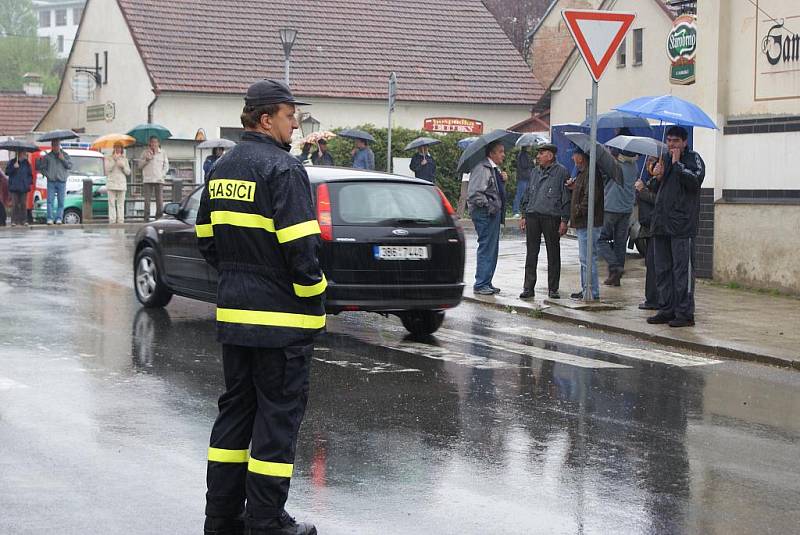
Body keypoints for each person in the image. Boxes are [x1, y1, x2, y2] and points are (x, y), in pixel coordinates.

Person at [196, 79, 324, 535]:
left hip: (235, 318)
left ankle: (222, 517)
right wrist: (316, 301)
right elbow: (301, 251)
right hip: (282, 324)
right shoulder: (284, 170)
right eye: (291, 116)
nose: (296, 124)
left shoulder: (222, 168)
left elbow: (207, 240)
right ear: (266, 118)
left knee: (235, 414)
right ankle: (267, 522)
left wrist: (238, 276)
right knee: (277, 419)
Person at [647, 126, 705, 328]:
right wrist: (657, 176)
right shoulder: (663, 160)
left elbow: (695, 181)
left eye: (676, 141)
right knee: (662, 270)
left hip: (682, 226)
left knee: (682, 272)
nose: (672, 144)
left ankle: (684, 312)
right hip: (661, 225)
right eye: (669, 140)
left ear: (685, 142)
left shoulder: (693, 159)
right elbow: (653, 190)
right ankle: (666, 308)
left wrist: (678, 164)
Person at [566, 143, 622, 300]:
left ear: (582, 157)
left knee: (588, 259)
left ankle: (591, 291)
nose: (572, 158)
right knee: (585, 259)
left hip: (588, 223)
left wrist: (577, 211)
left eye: (575, 155)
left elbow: (590, 197)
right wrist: (574, 186)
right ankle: (586, 288)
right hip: (584, 222)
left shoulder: (592, 174)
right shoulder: (584, 173)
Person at [518, 143, 570, 300]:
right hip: (533, 215)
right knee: (531, 253)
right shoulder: (535, 171)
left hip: (551, 217)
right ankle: (528, 288)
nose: (538, 157)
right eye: (538, 154)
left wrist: (564, 220)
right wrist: (523, 215)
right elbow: (528, 193)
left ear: (550, 155)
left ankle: (553, 289)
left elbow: (566, 198)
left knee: (553, 254)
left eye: (541, 153)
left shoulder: (561, 172)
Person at [467, 140, 506, 295]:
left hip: (492, 213)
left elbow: (492, 189)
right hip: (485, 213)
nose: (503, 155)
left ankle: (487, 282)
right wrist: (489, 206)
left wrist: (502, 180)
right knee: (486, 247)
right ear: (492, 153)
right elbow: (474, 193)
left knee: (492, 248)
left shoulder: (493, 169)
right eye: (500, 151)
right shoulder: (482, 168)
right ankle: (481, 283)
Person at [597, 144, 639, 286]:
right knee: (620, 243)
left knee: (600, 239)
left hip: (612, 207)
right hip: (627, 209)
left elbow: (603, 171)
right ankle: (616, 278)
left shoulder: (616, 166)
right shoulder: (634, 167)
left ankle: (615, 266)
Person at [635, 159, 659, 310]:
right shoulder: (652, 181)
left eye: (654, 162)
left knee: (653, 265)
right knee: (650, 264)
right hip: (647, 226)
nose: (651, 164)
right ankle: (651, 298)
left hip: (654, 227)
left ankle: (654, 299)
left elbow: (657, 200)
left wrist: (642, 190)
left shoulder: (661, 183)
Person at [38, 139, 72, 225]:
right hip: (51, 181)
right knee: (50, 201)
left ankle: (59, 218)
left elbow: (69, 166)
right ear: (52, 146)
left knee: (61, 201)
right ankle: (49, 218)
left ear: (59, 145)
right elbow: (41, 168)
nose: (55, 147)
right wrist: (48, 175)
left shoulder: (65, 155)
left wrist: (63, 159)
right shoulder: (48, 157)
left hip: (62, 181)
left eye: (57, 145)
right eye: (54, 145)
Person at [139, 136, 169, 221]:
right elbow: (139, 166)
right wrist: (146, 160)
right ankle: (146, 218)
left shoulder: (163, 153)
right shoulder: (145, 153)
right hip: (148, 180)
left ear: (158, 143)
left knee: (159, 201)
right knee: (147, 201)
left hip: (159, 180)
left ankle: (158, 218)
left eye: (155, 142)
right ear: (149, 143)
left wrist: (162, 175)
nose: (154, 144)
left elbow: (166, 166)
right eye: (152, 142)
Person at [105, 143, 131, 224]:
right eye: (116, 147)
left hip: (121, 184)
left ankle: (120, 220)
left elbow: (128, 172)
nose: (118, 149)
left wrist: (123, 166)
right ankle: (112, 220)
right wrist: (114, 161)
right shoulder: (109, 158)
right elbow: (107, 170)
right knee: (111, 204)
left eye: (119, 147)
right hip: (111, 183)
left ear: (122, 149)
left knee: (120, 204)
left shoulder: (125, 159)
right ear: (114, 148)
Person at [6, 151, 33, 227]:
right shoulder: (12, 162)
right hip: (14, 187)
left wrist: (28, 183)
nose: (22, 155)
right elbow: (7, 172)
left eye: (23, 153)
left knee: (23, 204)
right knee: (15, 204)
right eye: (21, 153)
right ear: (17, 154)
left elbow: (30, 175)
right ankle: (14, 221)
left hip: (24, 187)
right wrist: (14, 168)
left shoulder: (26, 163)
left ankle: (24, 221)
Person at [513, 146, 533, 217]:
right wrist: (531, 162)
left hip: (525, 177)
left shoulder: (524, 154)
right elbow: (524, 165)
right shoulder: (522, 155)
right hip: (523, 177)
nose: (530, 146)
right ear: (526, 146)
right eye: (529, 145)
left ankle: (521, 210)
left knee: (525, 194)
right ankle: (516, 210)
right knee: (520, 194)